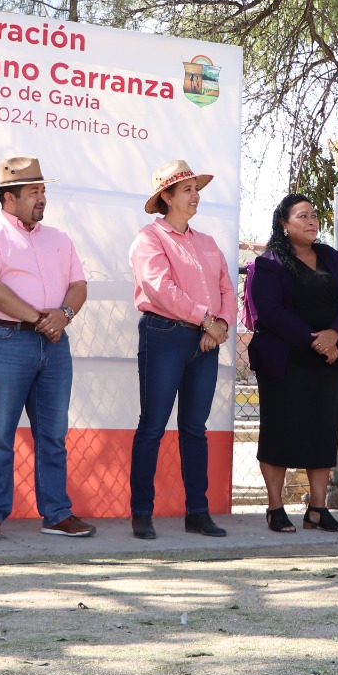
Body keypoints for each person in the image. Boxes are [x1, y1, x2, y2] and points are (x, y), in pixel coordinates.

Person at [0, 156, 94, 540]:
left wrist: (64, 314)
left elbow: (79, 285)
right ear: (9, 198)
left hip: (53, 343)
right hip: (4, 340)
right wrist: (40, 318)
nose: (42, 198)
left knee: (52, 434)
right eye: (33, 192)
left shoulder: (60, 239)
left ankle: (56, 513)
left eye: (43, 191)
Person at [129, 159, 236, 539]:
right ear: (167, 197)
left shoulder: (206, 242)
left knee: (195, 428)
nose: (195, 195)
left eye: (196, 189)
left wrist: (220, 325)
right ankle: (142, 512)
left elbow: (226, 287)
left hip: (204, 340)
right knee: (153, 426)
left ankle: (198, 512)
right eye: (187, 189)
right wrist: (207, 320)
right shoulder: (149, 238)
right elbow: (160, 288)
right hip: (163, 335)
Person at [247, 194, 338, 533]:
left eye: (314, 215)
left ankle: (317, 509)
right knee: (279, 432)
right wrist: (318, 341)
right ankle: (275, 507)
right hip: (286, 361)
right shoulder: (267, 263)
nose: (312, 221)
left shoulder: (329, 256)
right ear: (284, 223)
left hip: (329, 359)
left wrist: (335, 335)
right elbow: (271, 313)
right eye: (302, 216)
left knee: (322, 433)